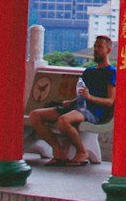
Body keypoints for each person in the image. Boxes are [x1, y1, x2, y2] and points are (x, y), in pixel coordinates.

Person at [30, 35, 116, 167]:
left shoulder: (111, 72)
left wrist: (90, 98)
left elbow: (110, 101)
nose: (96, 50)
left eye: (100, 47)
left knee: (64, 120)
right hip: (78, 107)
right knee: (35, 115)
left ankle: (82, 152)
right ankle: (58, 152)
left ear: (108, 50)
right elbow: (82, 93)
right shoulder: (89, 71)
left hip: (93, 111)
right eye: (95, 46)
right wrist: (72, 101)